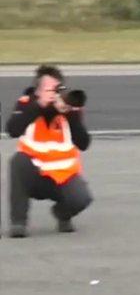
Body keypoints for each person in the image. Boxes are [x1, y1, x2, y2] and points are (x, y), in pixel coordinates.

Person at [5, 65, 93, 238]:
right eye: (49, 89)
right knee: (17, 161)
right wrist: (39, 105)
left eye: (58, 89)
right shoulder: (26, 103)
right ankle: (18, 222)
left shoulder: (70, 109)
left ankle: (62, 214)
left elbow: (83, 143)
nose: (54, 94)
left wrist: (70, 115)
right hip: (33, 173)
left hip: (62, 175)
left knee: (82, 198)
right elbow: (12, 130)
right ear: (38, 91)